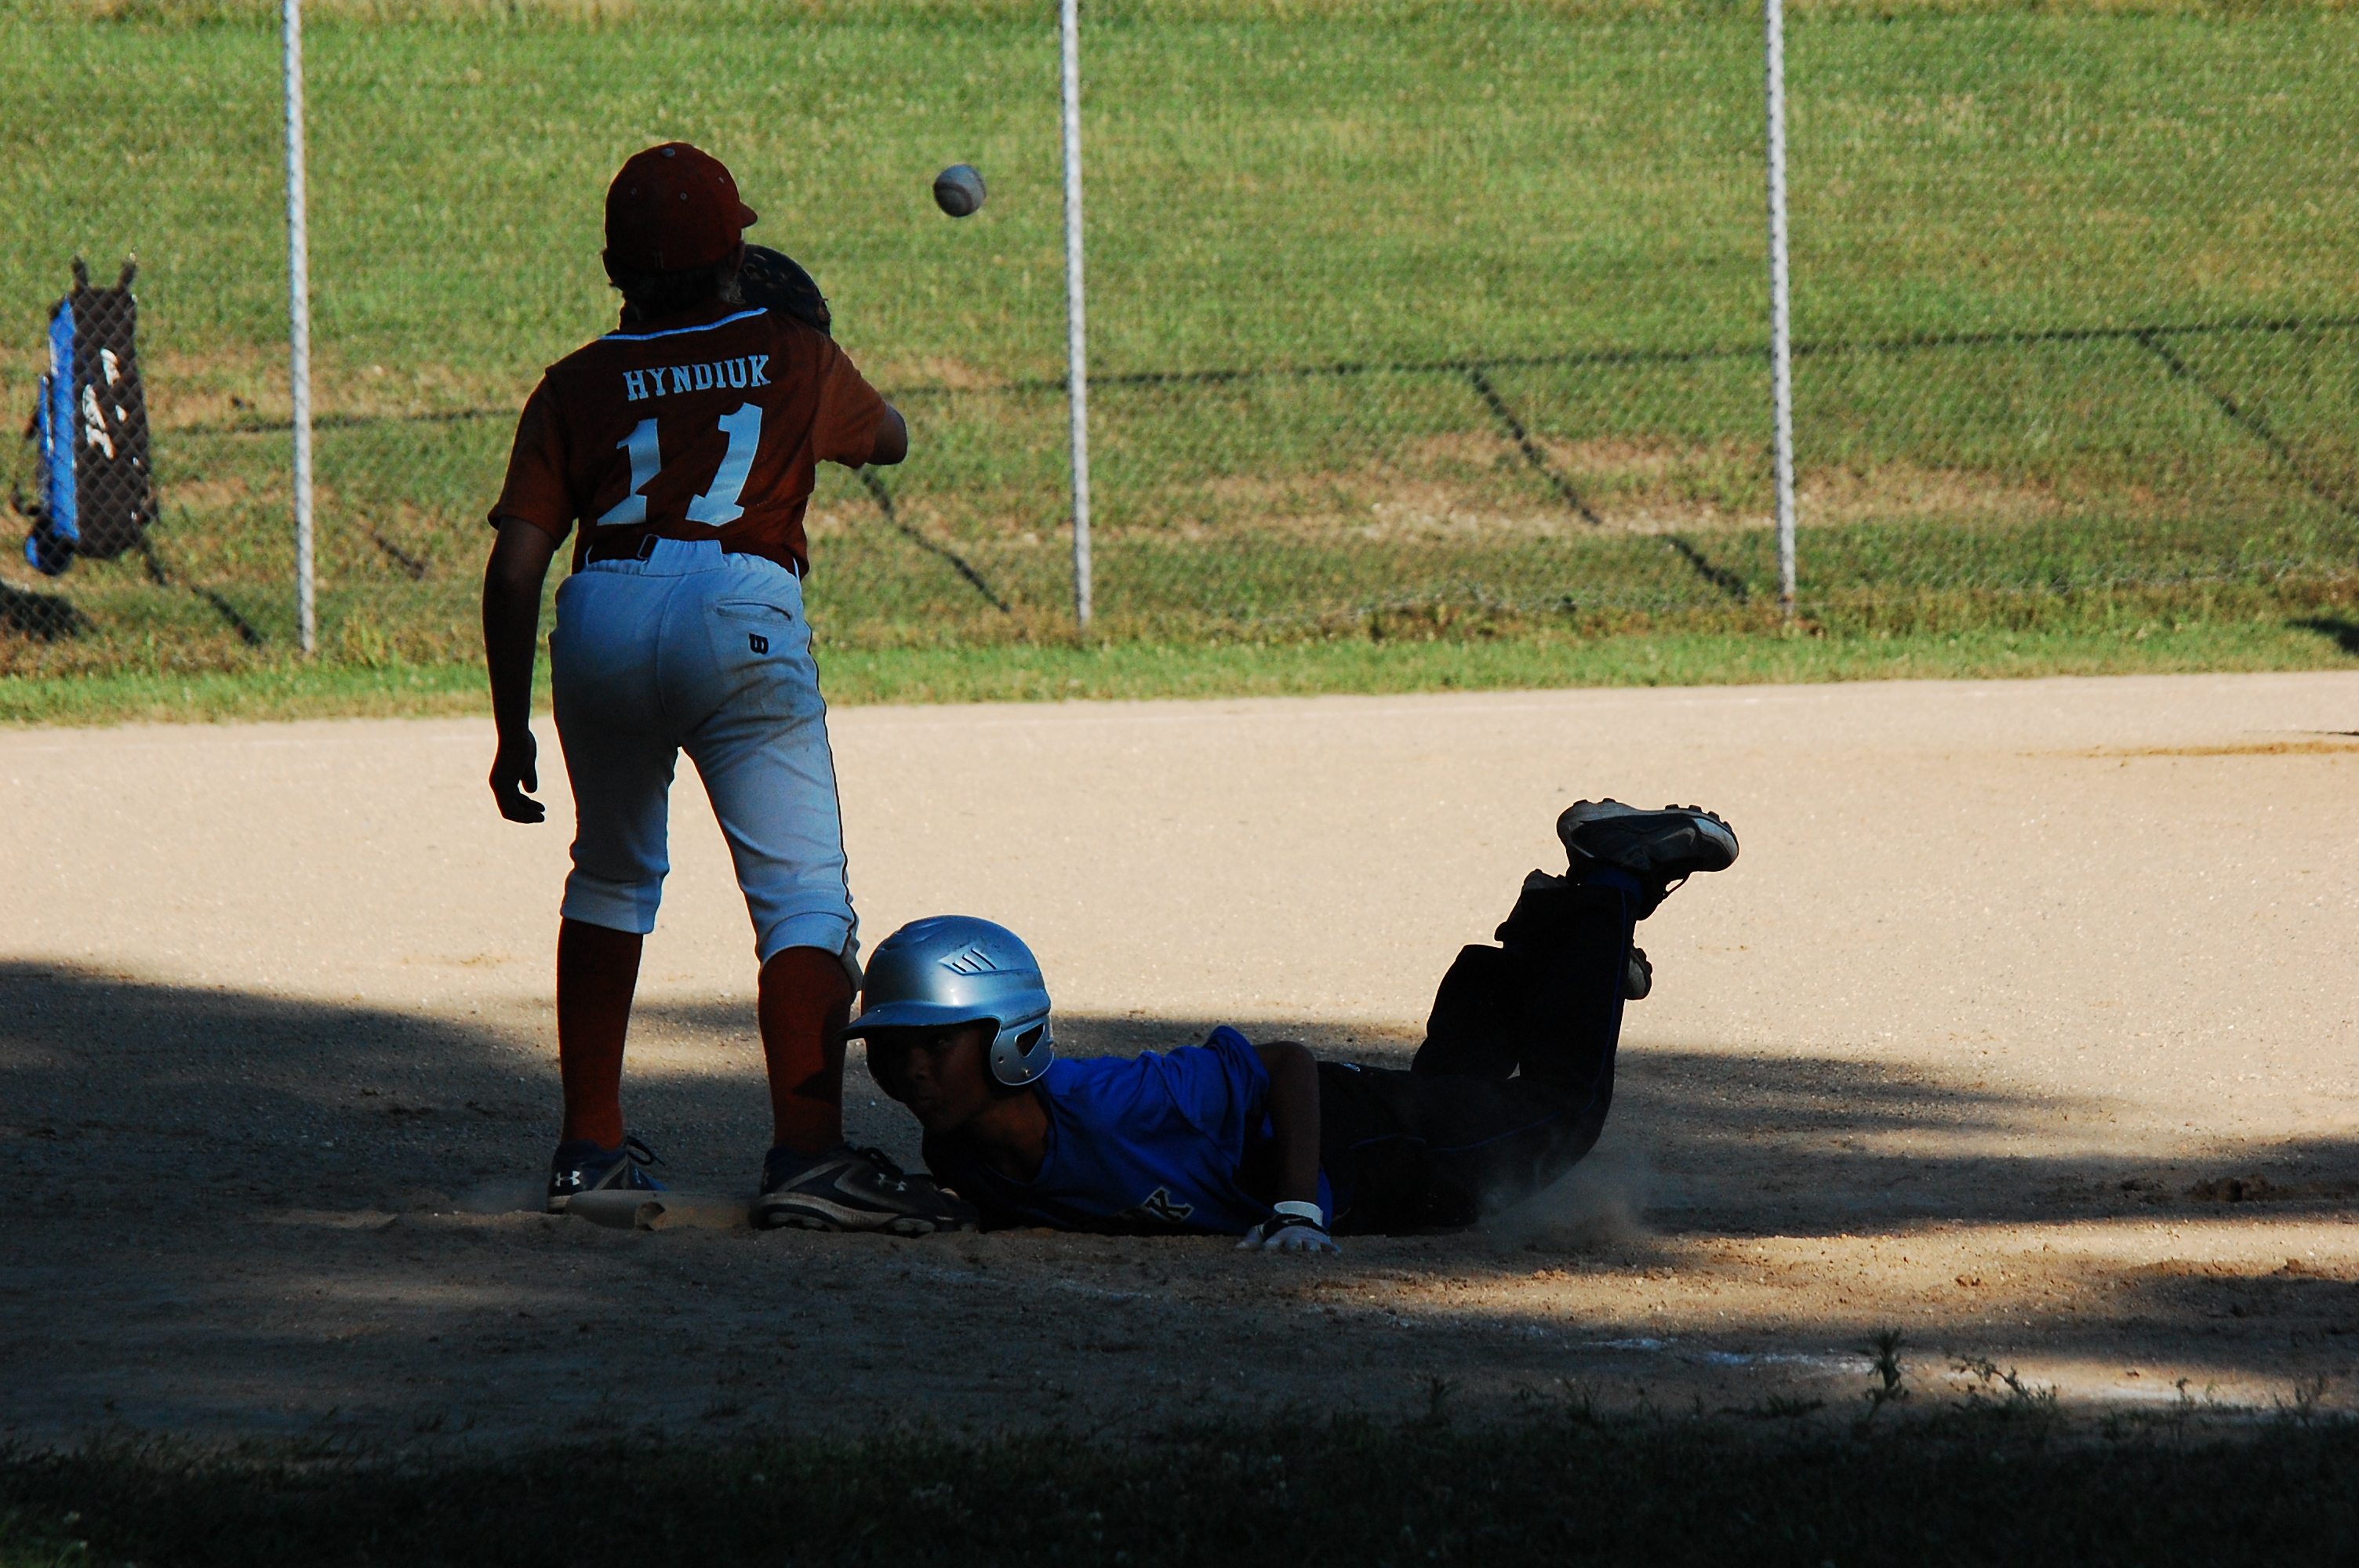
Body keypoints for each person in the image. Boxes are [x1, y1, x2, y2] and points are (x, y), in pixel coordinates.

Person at [480, 140, 969, 1234]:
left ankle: (589, 1154)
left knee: (610, 875)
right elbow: (891, 441)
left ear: (614, 269)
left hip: (600, 611)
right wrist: (801, 338)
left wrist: (511, 727)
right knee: (801, 896)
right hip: (739, 605)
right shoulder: (790, 350)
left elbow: (515, 569)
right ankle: (809, 1157)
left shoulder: (572, 383)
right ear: (733, 260)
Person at [850, 801, 1739, 1250]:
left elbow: (1284, 1063)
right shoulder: (960, 1155)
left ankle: (1611, 879)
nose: (911, 1069)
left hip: (1355, 1151)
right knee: (1457, 1094)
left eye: (936, 1043)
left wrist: (1295, 1205)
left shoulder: (1110, 1099)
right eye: (892, 1049)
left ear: (1013, 1039)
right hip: (1358, 1143)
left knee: (1558, 1117)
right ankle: (1562, 944)